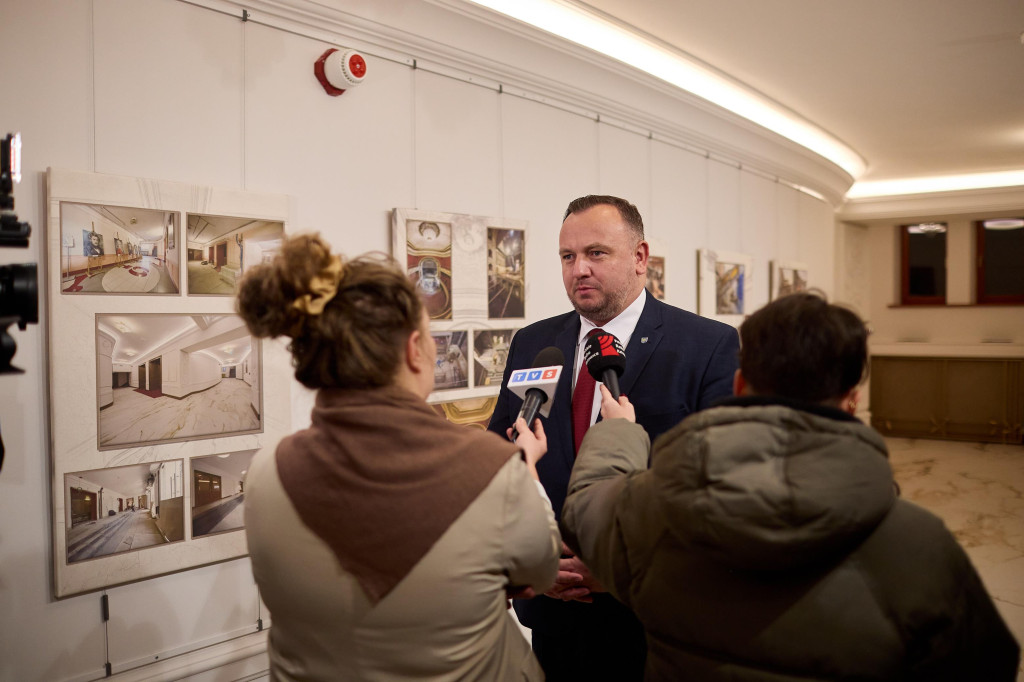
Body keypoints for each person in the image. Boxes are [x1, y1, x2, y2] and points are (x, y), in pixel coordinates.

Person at [561, 292, 1021, 681]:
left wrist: (619, 432)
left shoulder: (652, 507)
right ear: (852, 399)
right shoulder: (921, 545)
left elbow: (586, 509)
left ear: (740, 383)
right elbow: (987, 664)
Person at [237, 234, 561, 681]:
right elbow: (541, 570)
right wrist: (526, 470)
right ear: (413, 350)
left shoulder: (265, 471)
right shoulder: (493, 470)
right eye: (429, 335)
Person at [487, 195, 739, 680]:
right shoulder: (533, 343)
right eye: (567, 256)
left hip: (649, 619)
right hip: (552, 607)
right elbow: (500, 455)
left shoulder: (706, 346)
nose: (579, 269)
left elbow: (717, 492)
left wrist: (622, 569)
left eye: (596, 253)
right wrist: (530, 559)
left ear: (640, 257)